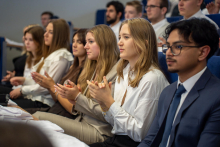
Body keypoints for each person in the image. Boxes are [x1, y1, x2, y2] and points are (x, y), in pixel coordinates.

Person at [138, 18, 220, 147]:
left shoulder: (216, 97)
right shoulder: (168, 92)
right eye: (168, 46)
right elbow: (150, 140)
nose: (168, 53)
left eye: (178, 47)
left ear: (203, 52)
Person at [88, 18, 169, 147]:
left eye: (126, 37)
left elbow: (139, 133)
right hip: (116, 140)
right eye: (120, 37)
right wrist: (104, 104)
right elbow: (115, 123)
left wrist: (109, 102)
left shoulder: (152, 78)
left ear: (144, 43)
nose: (119, 42)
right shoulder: (124, 72)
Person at [33, 24, 120, 144]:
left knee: (38, 117)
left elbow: (107, 114)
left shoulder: (115, 73)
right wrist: (72, 97)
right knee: (36, 118)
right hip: (81, 120)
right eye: (86, 42)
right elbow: (82, 106)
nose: (86, 46)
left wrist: (77, 98)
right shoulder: (95, 67)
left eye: (90, 42)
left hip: (99, 130)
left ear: (104, 43)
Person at [9, 19, 73, 109]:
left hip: (43, 102)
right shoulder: (49, 55)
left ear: (59, 36)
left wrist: (22, 90)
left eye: (50, 32)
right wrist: (24, 80)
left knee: (6, 103)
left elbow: (46, 86)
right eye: (45, 31)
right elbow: (39, 81)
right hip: (34, 98)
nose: (45, 35)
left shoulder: (62, 56)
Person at [31, 29, 87, 118]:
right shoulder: (73, 67)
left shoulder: (85, 71)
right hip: (56, 108)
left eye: (79, 42)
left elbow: (72, 108)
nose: (74, 45)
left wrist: (52, 87)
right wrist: (48, 86)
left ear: (86, 45)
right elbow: (57, 99)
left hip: (65, 115)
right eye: (73, 41)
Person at [0, 26, 44, 94]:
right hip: (21, 89)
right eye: (26, 39)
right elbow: (26, 79)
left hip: (29, 93)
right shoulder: (29, 58)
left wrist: (21, 88)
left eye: (31, 40)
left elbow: (38, 85)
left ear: (39, 41)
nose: (27, 42)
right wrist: (15, 78)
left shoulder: (43, 60)